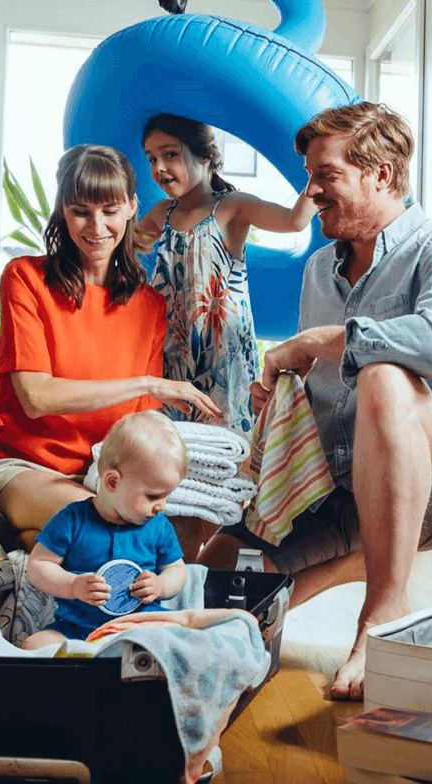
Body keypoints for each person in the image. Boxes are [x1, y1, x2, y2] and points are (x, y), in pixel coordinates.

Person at [198, 102, 432, 701]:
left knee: (384, 376)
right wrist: (279, 399)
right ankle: (348, 566)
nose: (310, 190)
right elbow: (320, 387)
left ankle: (383, 609)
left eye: (324, 174)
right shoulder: (317, 272)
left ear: (380, 174)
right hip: (336, 489)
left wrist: (319, 341)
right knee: (223, 575)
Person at [0, 145, 220, 552]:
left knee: (179, 533)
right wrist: (146, 383)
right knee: (102, 523)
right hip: (14, 467)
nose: (97, 226)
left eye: (110, 210)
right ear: (63, 211)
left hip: (93, 479)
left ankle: (36, 548)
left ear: (132, 207)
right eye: (81, 210)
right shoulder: (25, 277)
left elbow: (137, 429)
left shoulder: (149, 305)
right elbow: (36, 397)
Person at [137, 114, 317, 558]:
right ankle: (174, 563)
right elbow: (125, 247)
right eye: (153, 159)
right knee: (174, 468)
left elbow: (295, 222)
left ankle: (206, 561)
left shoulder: (231, 207)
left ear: (205, 155)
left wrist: (318, 174)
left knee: (221, 467)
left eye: (171, 155)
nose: (161, 169)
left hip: (223, 363)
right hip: (173, 362)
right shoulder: (162, 213)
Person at [21, 410, 188, 649]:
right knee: (33, 645)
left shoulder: (158, 526)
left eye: (166, 496)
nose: (161, 506)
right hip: (77, 630)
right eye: (153, 496)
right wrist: (72, 585)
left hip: (140, 625)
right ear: (112, 482)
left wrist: (161, 585)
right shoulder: (72, 520)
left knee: (177, 637)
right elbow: (38, 566)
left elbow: (177, 570)